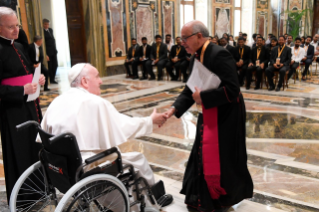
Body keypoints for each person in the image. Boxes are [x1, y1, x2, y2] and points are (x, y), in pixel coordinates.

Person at [39, 63, 173, 209]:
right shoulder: (95, 103)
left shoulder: (57, 101)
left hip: (60, 166)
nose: (101, 81)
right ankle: (152, 204)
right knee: (138, 160)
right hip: (87, 166)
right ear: (84, 81)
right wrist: (150, 121)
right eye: (97, 76)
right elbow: (124, 126)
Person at [165, 20, 253, 212]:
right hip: (210, 110)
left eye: (185, 38)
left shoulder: (218, 54)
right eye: (181, 39)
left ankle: (222, 198)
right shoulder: (196, 56)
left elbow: (232, 89)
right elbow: (190, 89)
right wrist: (174, 109)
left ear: (199, 36)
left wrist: (203, 96)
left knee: (223, 157)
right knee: (203, 151)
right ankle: (201, 197)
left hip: (227, 115)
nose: (182, 43)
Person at [0, 6, 46, 203]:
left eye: (17, 25)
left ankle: (39, 190)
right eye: (11, 27)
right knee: (20, 151)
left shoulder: (19, 47)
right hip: (12, 113)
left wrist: (38, 80)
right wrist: (21, 91)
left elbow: (27, 75)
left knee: (36, 147)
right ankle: (24, 196)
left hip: (31, 107)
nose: (16, 30)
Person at [43, 19, 58, 84]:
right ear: (43, 24)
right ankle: (51, 79)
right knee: (50, 66)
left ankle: (53, 78)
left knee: (55, 65)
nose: (47, 26)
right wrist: (45, 54)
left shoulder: (51, 30)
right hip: (48, 52)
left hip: (53, 51)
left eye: (48, 24)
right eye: (45, 24)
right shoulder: (42, 31)